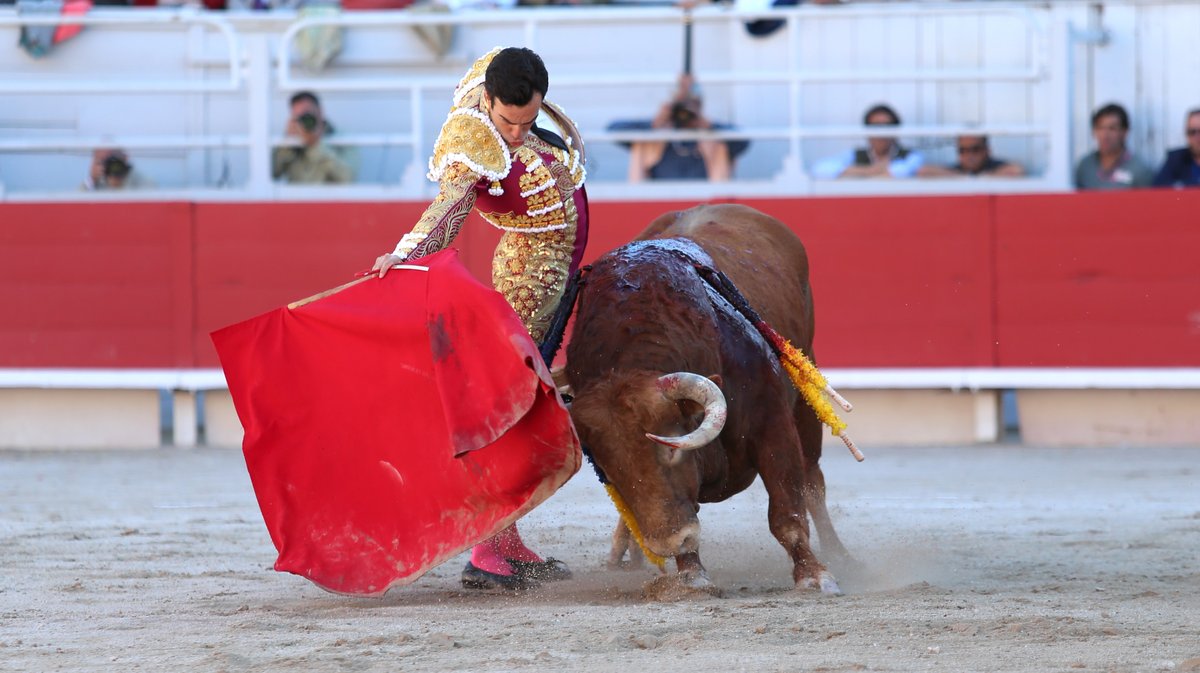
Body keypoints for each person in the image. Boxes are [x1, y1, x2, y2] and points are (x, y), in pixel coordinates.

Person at [369, 47, 587, 591]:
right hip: (530, 270)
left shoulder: (503, 79)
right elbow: (449, 207)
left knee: (519, 395)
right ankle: (491, 550)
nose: (516, 133)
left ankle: (505, 542)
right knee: (512, 401)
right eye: (507, 120)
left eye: (528, 120)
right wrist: (407, 251)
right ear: (486, 100)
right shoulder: (471, 143)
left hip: (554, 263)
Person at [624, 74, 738, 182]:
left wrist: (709, 126)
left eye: (691, 105)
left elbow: (741, 142)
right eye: (681, 105)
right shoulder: (656, 137)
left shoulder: (715, 139)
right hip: (660, 199)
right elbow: (614, 129)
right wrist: (655, 123)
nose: (684, 114)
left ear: (700, 106)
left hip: (706, 199)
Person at [811, 103, 924, 179]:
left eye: (887, 126)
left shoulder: (911, 155)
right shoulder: (855, 154)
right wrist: (868, 171)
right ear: (866, 130)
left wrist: (853, 172)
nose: (881, 132)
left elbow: (905, 171)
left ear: (895, 129)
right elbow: (820, 169)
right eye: (875, 126)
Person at [271, 91, 354, 185]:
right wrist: (288, 142)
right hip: (296, 199)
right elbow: (272, 173)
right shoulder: (291, 142)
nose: (304, 121)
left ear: (320, 111)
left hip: (330, 199)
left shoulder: (342, 140)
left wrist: (316, 145)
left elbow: (348, 178)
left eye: (307, 114)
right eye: (299, 117)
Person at [1074, 103, 1153, 190]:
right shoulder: (1085, 165)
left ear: (1125, 132)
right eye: (1100, 128)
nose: (1105, 135)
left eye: (1112, 128)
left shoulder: (1140, 169)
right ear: (1094, 132)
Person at [918, 134, 1024, 178]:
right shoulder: (956, 169)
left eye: (975, 149)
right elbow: (924, 171)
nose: (969, 155)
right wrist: (964, 179)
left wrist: (980, 179)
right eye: (963, 150)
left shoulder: (995, 166)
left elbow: (1017, 170)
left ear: (987, 151)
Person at [1152, 108, 1200, 188]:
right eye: (1192, 132)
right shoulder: (1175, 160)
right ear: (1186, 134)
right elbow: (1157, 190)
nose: (1198, 137)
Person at [81, 148, 152, 191]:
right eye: (103, 161)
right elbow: (78, 206)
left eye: (114, 158)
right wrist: (91, 179)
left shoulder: (141, 181)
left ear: (125, 158)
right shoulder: (98, 181)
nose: (112, 165)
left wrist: (119, 185)